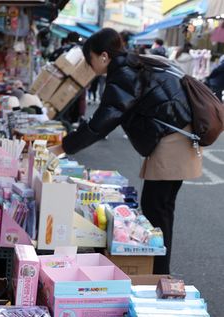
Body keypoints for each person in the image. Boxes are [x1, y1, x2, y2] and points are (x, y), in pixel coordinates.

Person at [59, 28, 202, 274]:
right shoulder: (131, 66)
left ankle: (157, 273)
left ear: (103, 56)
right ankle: (158, 271)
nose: (89, 65)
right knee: (160, 208)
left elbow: (104, 119)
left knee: (157, 209)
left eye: (89, 58)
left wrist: (64, 146)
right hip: (175, 137)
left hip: (172, 142)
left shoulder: (124, 73)